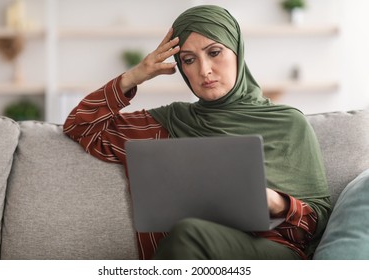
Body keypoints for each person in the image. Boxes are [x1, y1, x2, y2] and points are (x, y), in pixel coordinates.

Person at [63, 5, 331, 260]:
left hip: (273, 251)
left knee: (189, 234)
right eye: (189, 60)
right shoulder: (169, 122)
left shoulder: (288, 123)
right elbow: (80, 126)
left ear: (237, 51)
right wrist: (135, 76)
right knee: (188, 234)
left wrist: (276, 202)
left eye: (214, 52)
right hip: (187, 255)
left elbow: (318, 222)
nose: (204, 71)